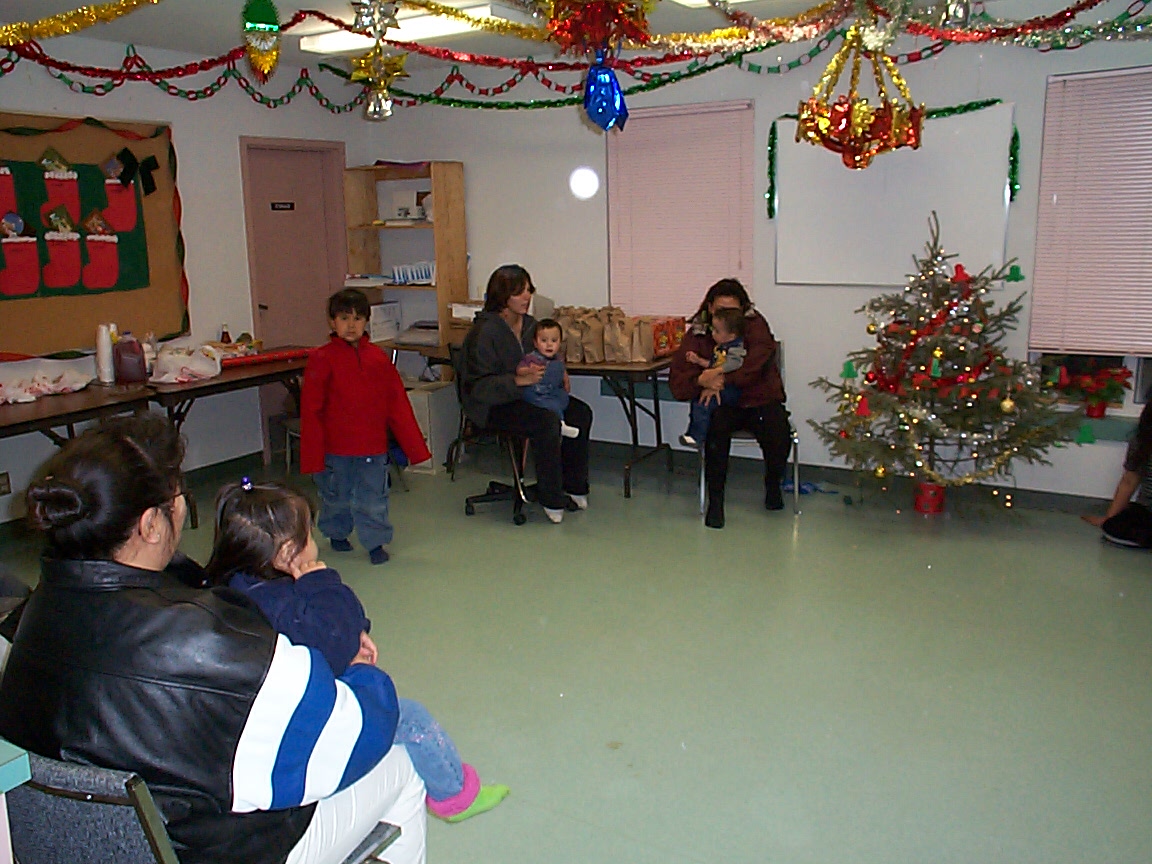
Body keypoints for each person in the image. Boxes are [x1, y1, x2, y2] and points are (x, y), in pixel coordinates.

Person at [0, 415, 428, 864]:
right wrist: (361, 676)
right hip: (210, 852)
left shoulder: (31, 615)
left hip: (100, 850)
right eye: (178, 497)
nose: (183, 508)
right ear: (150, 524)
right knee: (400, 767)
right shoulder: (211, 641)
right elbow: (354, 738)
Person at [206, 479, 510, 822]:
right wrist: (322, 585)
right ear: (288, 553)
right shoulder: (281, 603)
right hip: (299, 729)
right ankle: (455, 796)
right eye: (310, 536)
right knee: (409, 717)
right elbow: (331, 644)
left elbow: (330, 628)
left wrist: (355, 632)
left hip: (268, 716)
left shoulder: (245, 586)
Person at [300, 288, 431, 565]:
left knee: (373, 498)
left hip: (372, 448)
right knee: (336, 497)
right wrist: (312, 456)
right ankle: (337, 533)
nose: (351, 325)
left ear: (366, 322)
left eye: (358, 318)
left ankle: (375, 542)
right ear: (332, 322)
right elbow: (311, 411)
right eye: (344, 318)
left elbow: (397, 405)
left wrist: (415, 447)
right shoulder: (322, 359)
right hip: (335, 450)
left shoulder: (378, 359)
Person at [461, 264, 593, 523]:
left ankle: (574, 486)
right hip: (493, 405)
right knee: (546, 421)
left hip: (533, 395)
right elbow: (479, 388)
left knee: (580, 413)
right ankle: (551, 497)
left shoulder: (531, 326)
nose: (527, 297)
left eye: (528, 290)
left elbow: (549, 352)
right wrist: (518, 380)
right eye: (518, 292)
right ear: (502, 296)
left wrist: (561, 370)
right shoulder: (484, 333)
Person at [669, 278, 791, 530]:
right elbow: (679, 378)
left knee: (778, 429)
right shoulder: (700, 331)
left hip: (758, 398)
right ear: (710, 307)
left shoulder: (756, 326)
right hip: (723, 405)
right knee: (716, 427)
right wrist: (701, 380)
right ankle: (715, 503)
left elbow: (755, 366)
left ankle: (773, 485)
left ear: (743, 309)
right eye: (720, 309)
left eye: (732, 310)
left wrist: (719, 380)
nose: (725, 315)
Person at [1082, 400, 1152, 548]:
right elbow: (1129, 481)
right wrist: (1109, 518)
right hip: (1147, 511)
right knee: (1114, 528)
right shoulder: (1142, 441)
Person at [678, 306, 747, 448]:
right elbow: (714, 364)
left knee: (705, 404)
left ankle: (697, 436)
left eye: (717, 331)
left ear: (731, 336)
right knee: (698, 401)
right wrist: (699, 361)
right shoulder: (721, 347)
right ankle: (693, 433)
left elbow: (735, 363)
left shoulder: (735, 348)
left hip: (732, 390)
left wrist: (716, 372)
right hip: (719, 386)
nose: (712, 334)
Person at [518, 317, 580, 439]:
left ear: (560, 342)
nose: (549, 344)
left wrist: (566, 381)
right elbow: (519, 370)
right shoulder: (532, 358)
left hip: (552, 390)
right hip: (536, 392)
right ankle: (561, 424)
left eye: (554, 340)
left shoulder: (558, 358)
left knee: (563, 399)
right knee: (551, 405)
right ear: (535, 343)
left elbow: (563, 371)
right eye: (544, 340)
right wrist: (529, 371)